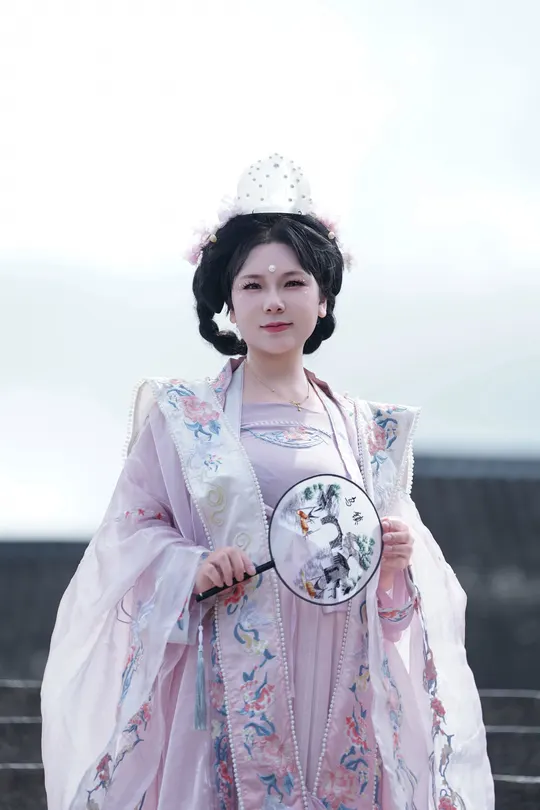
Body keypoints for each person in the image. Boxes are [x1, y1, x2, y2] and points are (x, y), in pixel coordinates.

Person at [41, 154, 494, 810]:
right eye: (253, 285)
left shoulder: (367, 432)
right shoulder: (184, 416)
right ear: (230, 303)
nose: (274, 301)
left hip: (341, 675)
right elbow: (130, 529)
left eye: (293, 282)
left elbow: (391, 599)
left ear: (323, 296)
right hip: (226, 671)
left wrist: (394, 563)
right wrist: (190, 564)